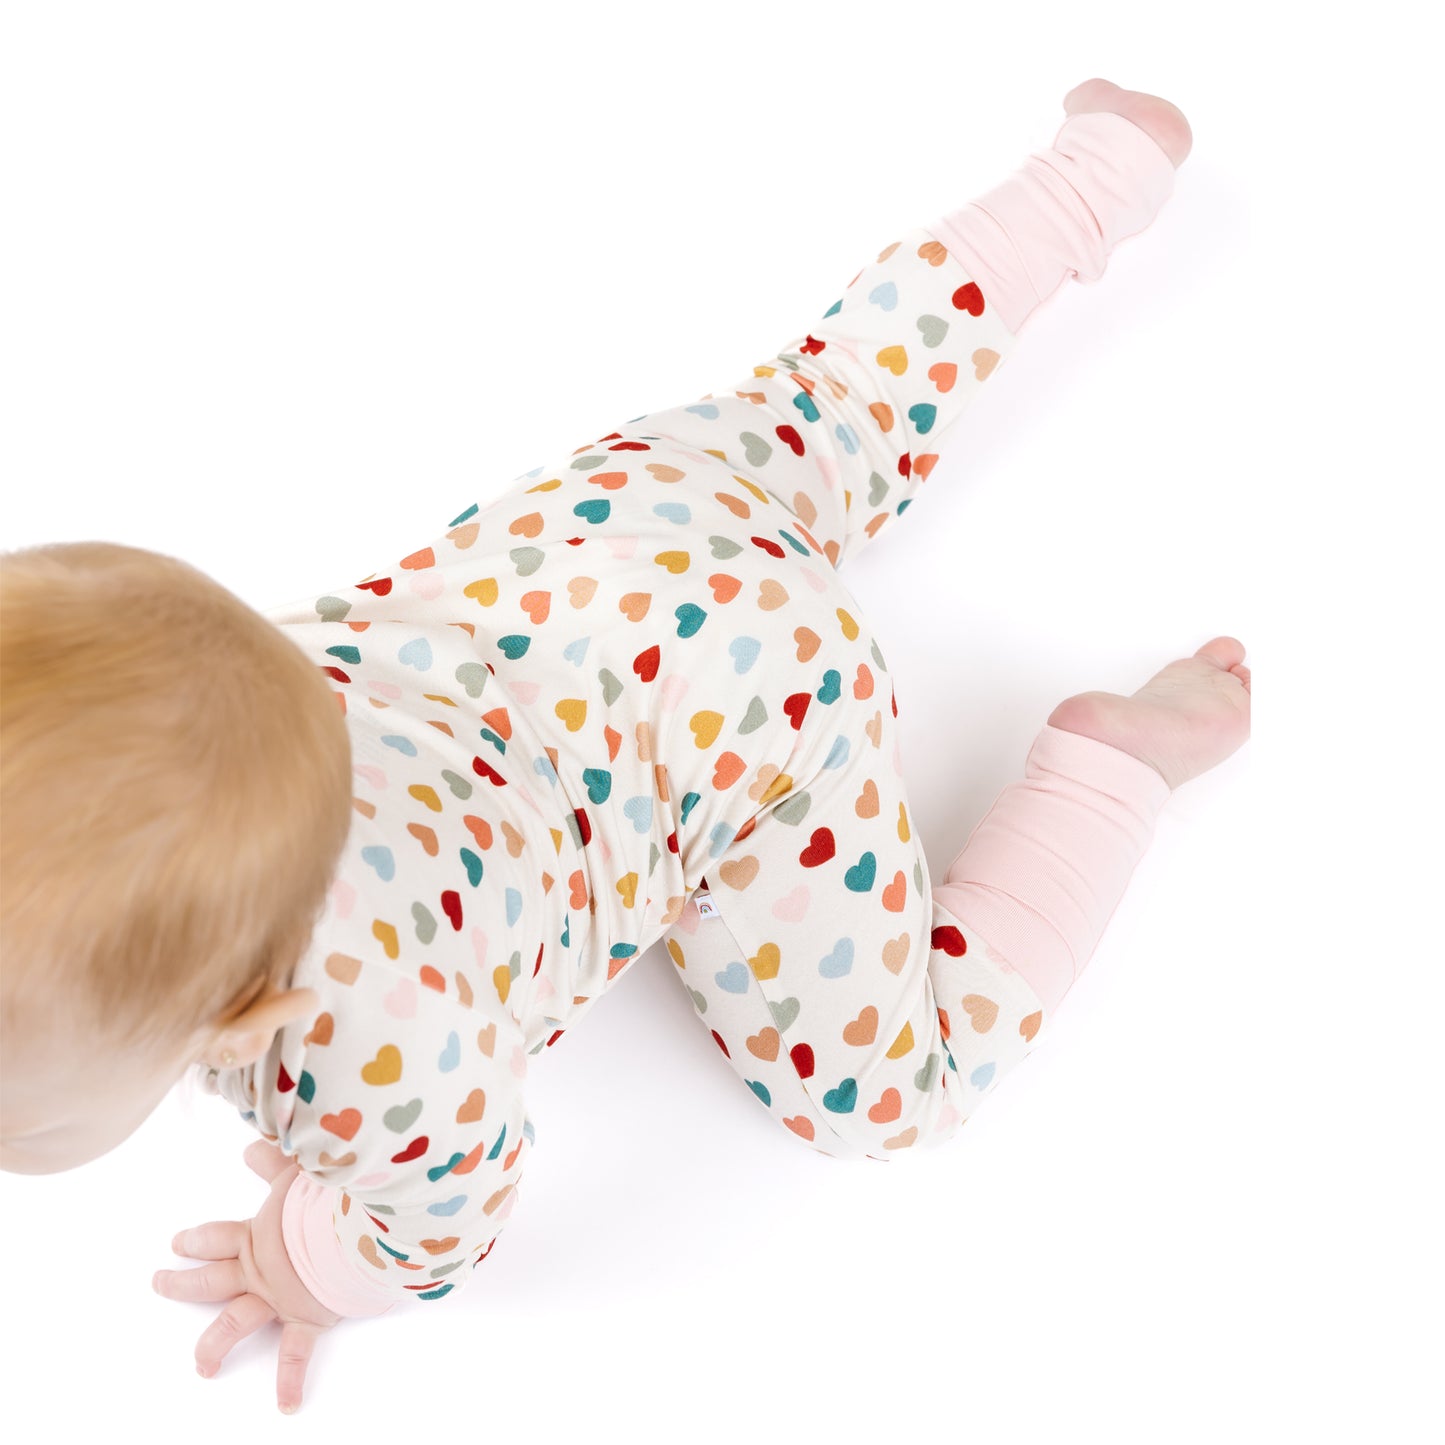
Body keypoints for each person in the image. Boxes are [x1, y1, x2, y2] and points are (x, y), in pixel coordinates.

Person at [0, 78, 1249, 1413]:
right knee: (836, 402)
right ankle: (1094, 173)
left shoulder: (366, 1062)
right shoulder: (222, 685)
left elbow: (446, 1219)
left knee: (890, 1096)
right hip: (616, 532)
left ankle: (1113, 769)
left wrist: (307, 1256)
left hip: (755, 728)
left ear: (241, 1022)